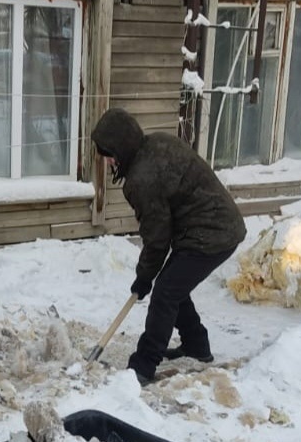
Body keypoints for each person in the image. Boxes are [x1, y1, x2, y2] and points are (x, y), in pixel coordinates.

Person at [91, 107, 247, 384]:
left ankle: (143, 365)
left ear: (123, 147)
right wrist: (149, 274)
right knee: (173, 284)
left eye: (109, 155)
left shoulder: (142, 179)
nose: (109, 163)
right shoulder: (156, 144)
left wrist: (144, 277)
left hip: (212, 233)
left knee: (165, 292)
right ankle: (197, 345)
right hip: (210, 226)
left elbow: (157, 237)